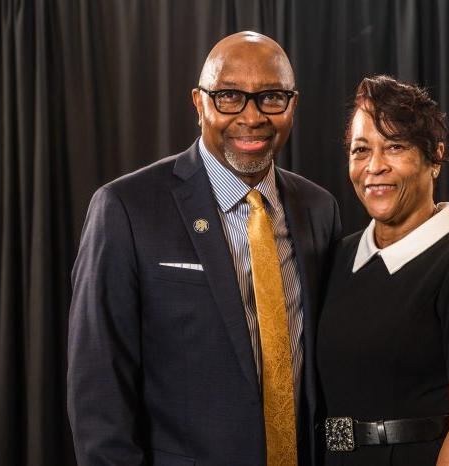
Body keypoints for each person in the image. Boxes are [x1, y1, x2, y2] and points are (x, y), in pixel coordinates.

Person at [68, 31, 341, 466]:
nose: (251, 117)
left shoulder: (319, 208)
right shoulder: (126, 207)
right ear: (199, 103)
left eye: (271, 97)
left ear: (292, 105)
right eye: (229, 96)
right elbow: (99, 383)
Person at [316, 75, 449, 466]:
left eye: (395, 147)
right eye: (361, 150)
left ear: (435, 157)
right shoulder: (336, 258)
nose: (374, 166)